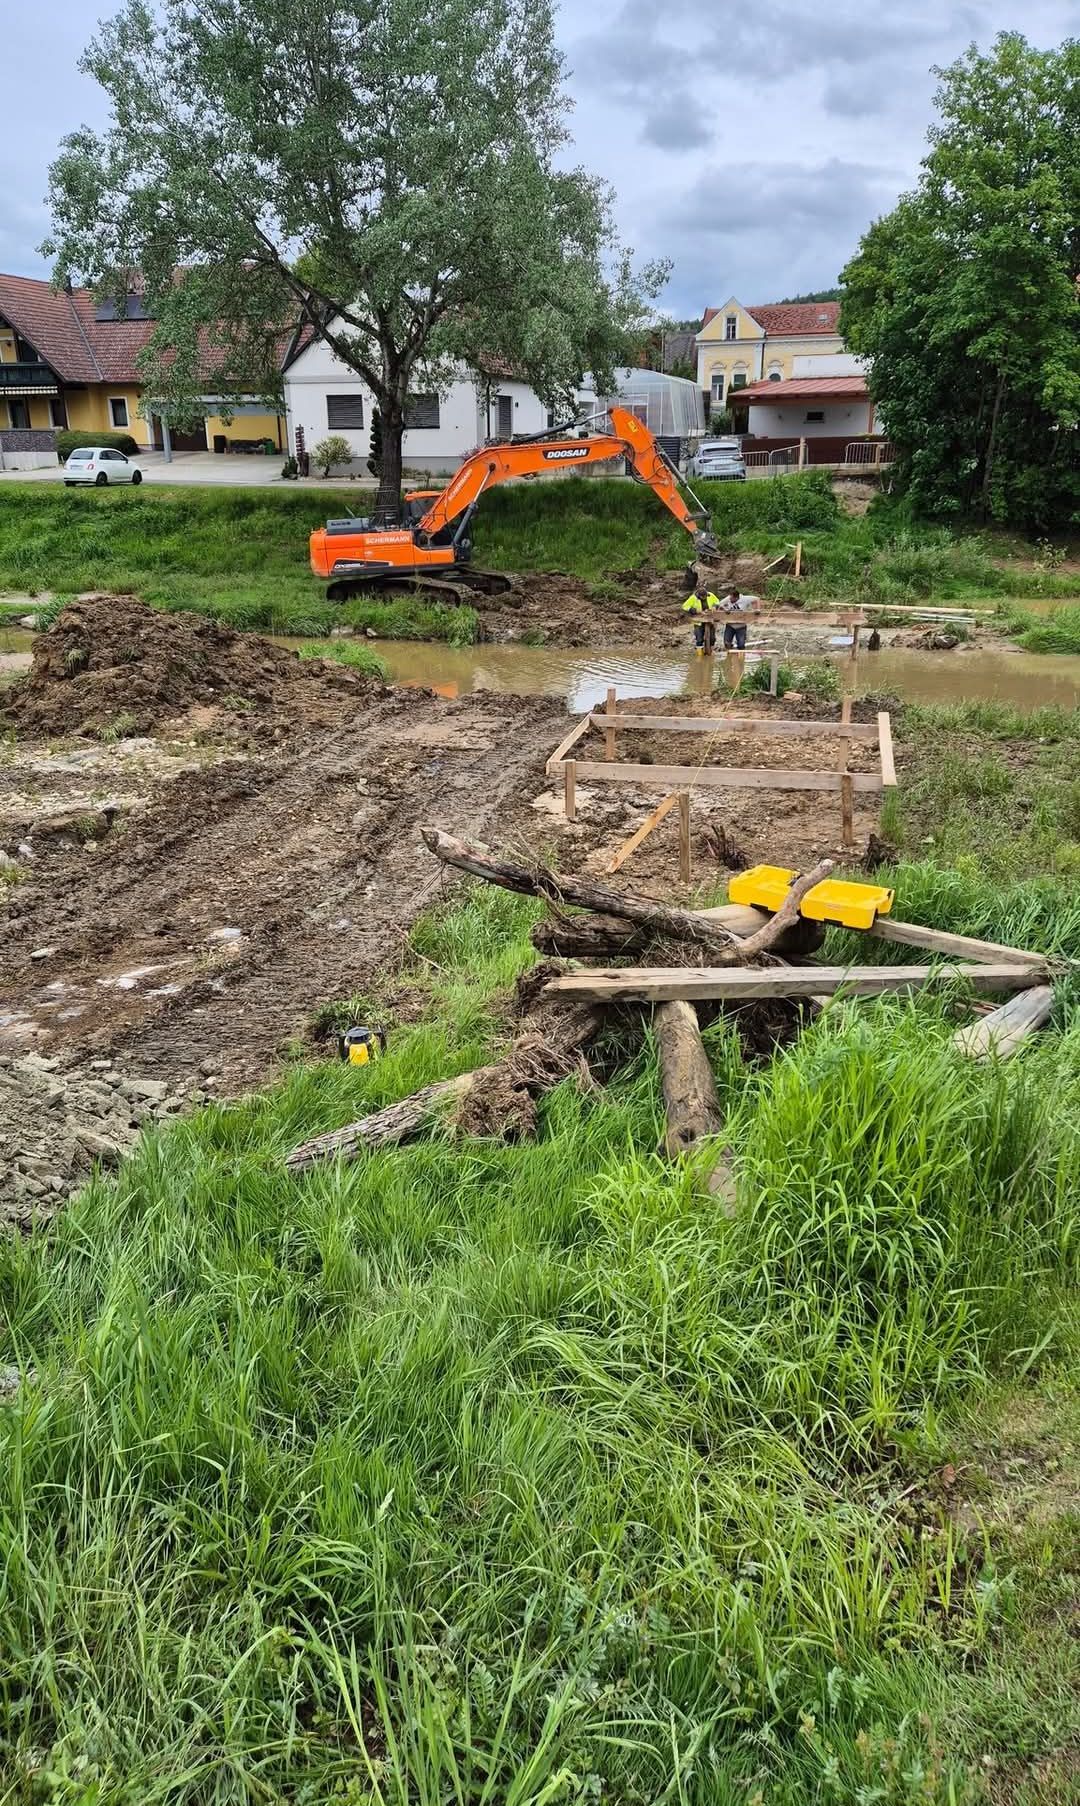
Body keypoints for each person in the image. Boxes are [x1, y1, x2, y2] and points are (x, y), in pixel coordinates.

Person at [682, 571, 723, 655]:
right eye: (703, 597)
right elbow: (684, 606)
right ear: (699, 596)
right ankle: (699, 655)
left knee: (712, 638)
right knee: (699, 638)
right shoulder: (693, 598)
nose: (704, 598)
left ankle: (711, 652)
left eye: (705, 596)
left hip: (710, 619)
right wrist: (695, 610)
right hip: (698, 621)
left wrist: (715, 607)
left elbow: (717, 601)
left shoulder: (710, 595)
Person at [721, 586, 755, 651]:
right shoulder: (728, 598)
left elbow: (757, 599)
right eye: (729, 598)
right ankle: (729, 657)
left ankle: (741, 659)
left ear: (736, 598)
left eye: (731, 599)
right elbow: (719, 604)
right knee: (727, 643)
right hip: (730, 625)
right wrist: (725, 609)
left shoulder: (745, 599)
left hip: (741, 626)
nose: (730, 600)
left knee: (741, 645)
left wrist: (757, 609)